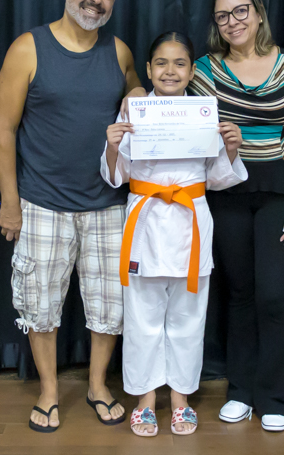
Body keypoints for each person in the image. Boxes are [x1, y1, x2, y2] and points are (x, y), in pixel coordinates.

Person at [123, 0, 284, 431]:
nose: (232, 21)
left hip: (281, 192)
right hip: (226, 193)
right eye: (222, 16)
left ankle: (274, 397)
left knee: (273, 296)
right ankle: (240, 391)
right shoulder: (203, 70)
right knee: (239, 295)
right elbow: (163, 84)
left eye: (240, 11)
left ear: (257, 13)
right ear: (215, 25)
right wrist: (134, 95)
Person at [0, 0, 147, 433]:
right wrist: (10, 204)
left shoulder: (119, 52)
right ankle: (49, 391)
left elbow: (138, 97)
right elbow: (3, 130)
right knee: (40, 306)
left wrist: (139, 97)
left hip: (108, 204)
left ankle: (98, 385)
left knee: (109, 306)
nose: (96, 0)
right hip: (42, 204)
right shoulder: (28, 49)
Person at [101, 32, 247, 437]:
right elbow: (116, 176)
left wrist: (231, 147)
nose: (170, 71)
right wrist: (112, 145)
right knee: (142, 317)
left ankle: (181, 399)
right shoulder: (134, 113)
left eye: (179, 63)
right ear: (148, 70)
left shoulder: (203, 115)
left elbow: (217, 179)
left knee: (188, 318)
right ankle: (146, 400)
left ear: (191, 71)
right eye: (161, 63)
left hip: (190, 223)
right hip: (145, 223)